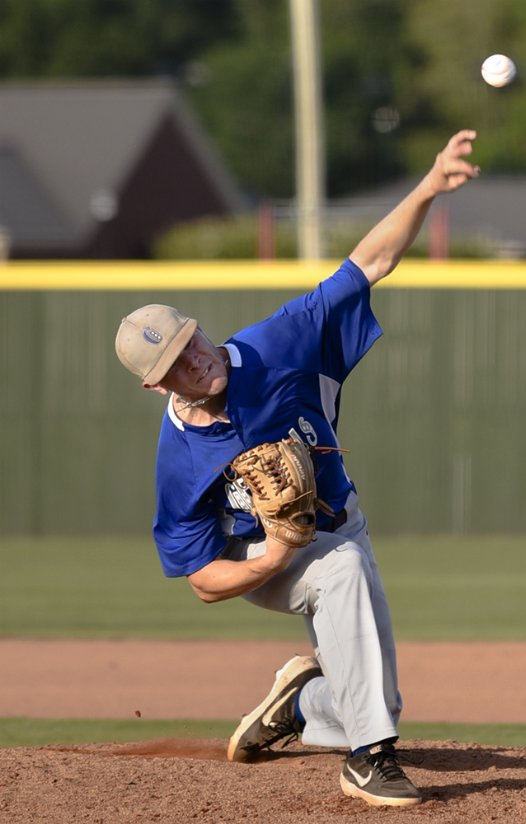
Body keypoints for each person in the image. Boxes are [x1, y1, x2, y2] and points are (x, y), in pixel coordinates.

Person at [115, 130, 479, 807]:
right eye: (174, 367)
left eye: (189, 345)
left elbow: (367, 263)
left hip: (344, 523)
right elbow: (200, 580)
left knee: (373, 692)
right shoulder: (178, 459)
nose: (194, 362)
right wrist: (271, 556)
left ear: (198, 329)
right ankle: (369, 760)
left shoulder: (274, 346)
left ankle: (304, 701)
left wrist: (427, 187)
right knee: (336, 576)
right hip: (266, 557)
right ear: (157, 387)